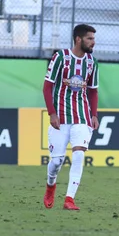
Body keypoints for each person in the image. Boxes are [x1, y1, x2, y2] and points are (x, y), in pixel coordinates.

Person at [42, 24, 99, 210]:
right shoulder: (61, 57)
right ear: (78, 39)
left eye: (93, 38)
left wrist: (94, 114)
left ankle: (69, 199)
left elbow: (93, 91)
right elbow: (47, 86)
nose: (93, 42)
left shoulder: (92, 62)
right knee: (57, 161)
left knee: (79, 154)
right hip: (60, 116)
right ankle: (51, 185)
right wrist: (52, 113)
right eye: (90, 38)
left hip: (82, 116)